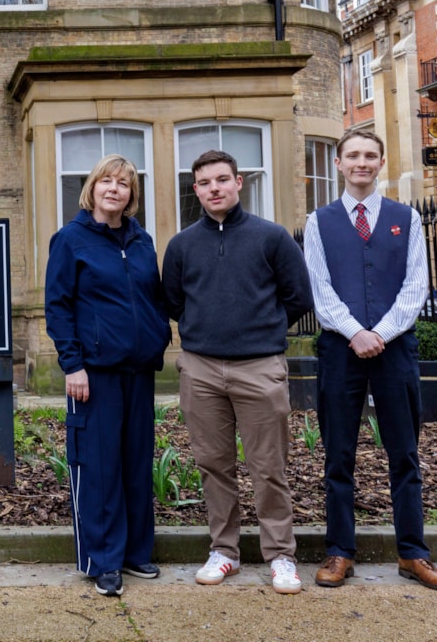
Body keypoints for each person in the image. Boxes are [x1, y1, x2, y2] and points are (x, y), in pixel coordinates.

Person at [303, 128, 437, 591]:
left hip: (395, 350)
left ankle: (413, 553)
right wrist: (354, 332)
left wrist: (380, 335)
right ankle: (339, 552)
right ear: (339, 164)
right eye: (353, 155)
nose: (361, 163)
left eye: (370, 155)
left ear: (381, 162)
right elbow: (319, 288)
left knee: (404, 453)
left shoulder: (406, 218)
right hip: (339, 349)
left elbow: (416, 286)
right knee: (338, 454)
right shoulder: (318, 222)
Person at [161, 149, 312, 595]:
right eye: (205, 183)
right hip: (202, 369)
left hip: (260, 366)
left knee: (268, 466)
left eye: (222, 180)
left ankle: (281, 555)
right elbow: (173, 301)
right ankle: (224, 551)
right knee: (213, 465)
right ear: (196, 190)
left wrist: (260, 331)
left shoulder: (272, 237)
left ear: (239, 182)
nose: (215, 189)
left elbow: (298, 296)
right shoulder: (182, 245)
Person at [44, 154, 171, 598]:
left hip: (138, 370)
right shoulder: (70, 240)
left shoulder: (141, 241)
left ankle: (136, 553)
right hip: (93, 374)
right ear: (93, 189)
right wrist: (72, 363)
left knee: (136, 462)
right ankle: (103, 561)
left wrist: (158, 339)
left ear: (131, 195)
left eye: (124, 183)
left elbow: (152, 299)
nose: (115, 189)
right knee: (98, 466)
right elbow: (58, 307)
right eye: (107, 182)